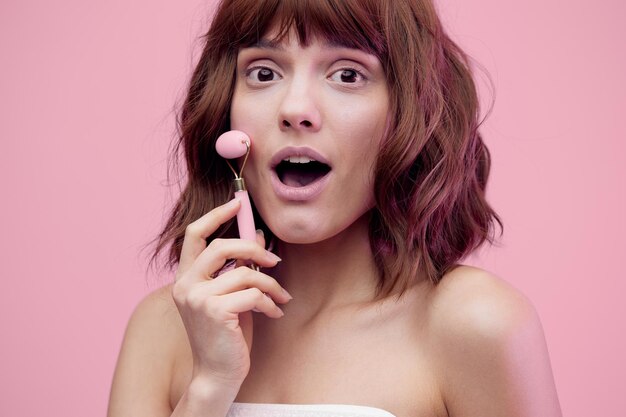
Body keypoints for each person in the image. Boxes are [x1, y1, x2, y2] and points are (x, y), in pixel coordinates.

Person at [108, 0, 562, 416]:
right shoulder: (164, 329)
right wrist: (209, 386)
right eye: (264, 73)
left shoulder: (475, 325)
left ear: (407, 115)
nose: (295, 108)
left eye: (348, 74)